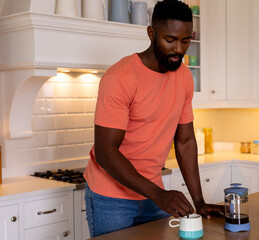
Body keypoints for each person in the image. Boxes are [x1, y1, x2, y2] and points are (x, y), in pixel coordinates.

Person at [83, 0, 224, 237]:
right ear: (151, 33)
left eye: (186, 40)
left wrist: (198, 201)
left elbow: (185, 141)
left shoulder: (184, 77)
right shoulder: (120, 77)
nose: (179, 49)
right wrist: (158, 194)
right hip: (111, 199)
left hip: (153, 195)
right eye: (170, 40)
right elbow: (106, 152)